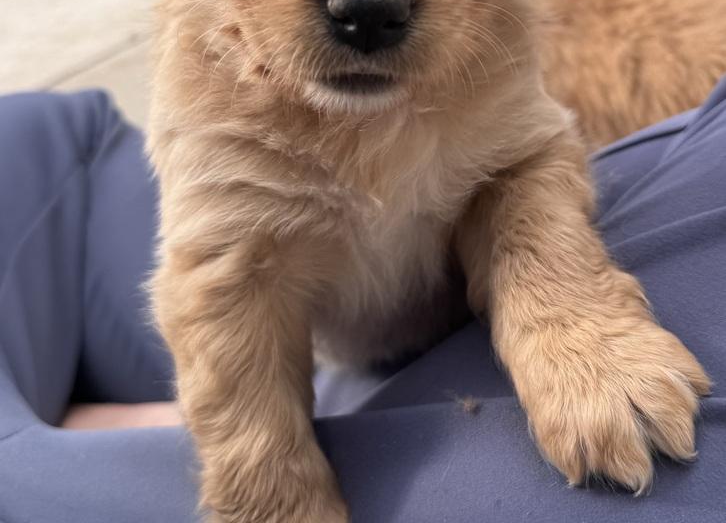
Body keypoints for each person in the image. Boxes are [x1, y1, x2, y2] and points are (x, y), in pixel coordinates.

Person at [1, 84, 724, 523]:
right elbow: (220, 286)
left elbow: (530, 156)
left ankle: (117, 425)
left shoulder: (492, 40)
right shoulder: (210, 101)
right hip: (328, 343)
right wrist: (274, 498)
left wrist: (562, 310)